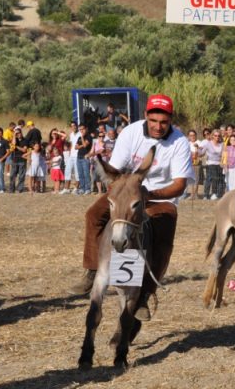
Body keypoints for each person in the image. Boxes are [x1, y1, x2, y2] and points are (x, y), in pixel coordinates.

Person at [68, 94, 195, 322]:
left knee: (163, 237)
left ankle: (145, 294)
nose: (158, 127)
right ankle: (92, 269)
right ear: (146, 116)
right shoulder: (131, 132)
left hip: (159, 197)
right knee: (94, 214)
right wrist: (124, 190)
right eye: (154, 121)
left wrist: (149, 195)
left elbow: (179, 185)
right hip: (128, 190)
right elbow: (115, 169)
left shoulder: (179, 142)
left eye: (164, 122)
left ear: (170, 120)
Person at [203, 129, 225, 200]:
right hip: (210, 163)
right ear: (212, 136)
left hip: (219, 164)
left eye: (218, 136)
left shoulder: (222, 144)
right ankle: (206, 195)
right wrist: (197, 149)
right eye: (215, 135)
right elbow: (202, 152)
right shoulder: (208, 144)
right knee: (209, 179)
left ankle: (215, 194)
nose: (217, 137)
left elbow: (224, 155)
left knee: (218, 179)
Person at [62, 121, 81, 194]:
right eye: (72, 126)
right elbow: (71, 145)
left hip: (77, 156)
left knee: (77, 173)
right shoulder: (71, 134)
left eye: (74, 125)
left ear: (77, 126)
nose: (73, 127)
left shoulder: (80, 134)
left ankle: (76, 188)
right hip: (71, 156)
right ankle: (66, 188)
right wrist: (69, 154)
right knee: (67, 171)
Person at [75, 124, 93, 195]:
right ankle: (82, 188)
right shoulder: (79, 137)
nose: (81, 131)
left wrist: (82, 138)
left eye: (82, 129)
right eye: (80, 129)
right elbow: (75, 147)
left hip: (85, 158)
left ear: (86, 128)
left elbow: (85, 146)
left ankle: (87, 189)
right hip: (78, 157)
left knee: (86, 174)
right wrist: (81, 145)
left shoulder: (89, 137)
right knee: (80, 174)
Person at [9, 128, 27, 193]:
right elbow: (13, 144)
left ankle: (19, 189)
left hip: (22, 160)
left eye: (19, 133)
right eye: (17, 133)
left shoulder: (25, 140)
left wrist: (17, 147)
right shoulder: (14, 139)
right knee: (12, 176)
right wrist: (14, 135)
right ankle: (11, 189)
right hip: (14, 159)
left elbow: (24, 150)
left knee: (21, 176)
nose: (18, 134)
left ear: (21, 133)